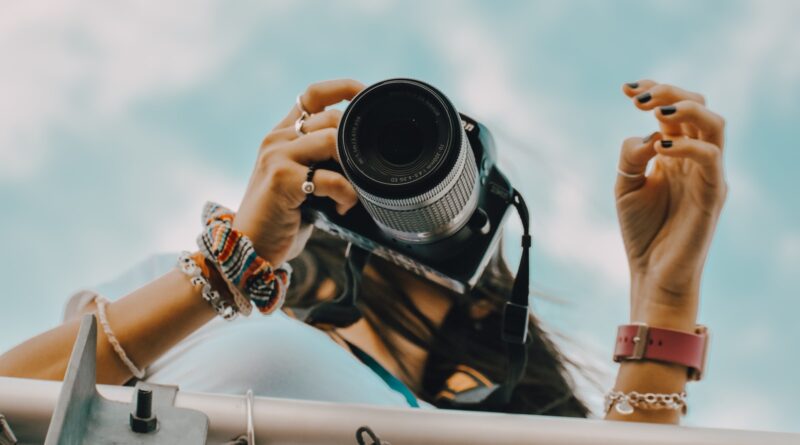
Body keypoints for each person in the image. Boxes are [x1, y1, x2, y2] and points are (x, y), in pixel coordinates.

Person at [0, 78, 726, 425]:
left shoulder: (493, 427)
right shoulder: (180, 289)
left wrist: (663, 292)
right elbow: (13, 405)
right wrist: (223, 272)